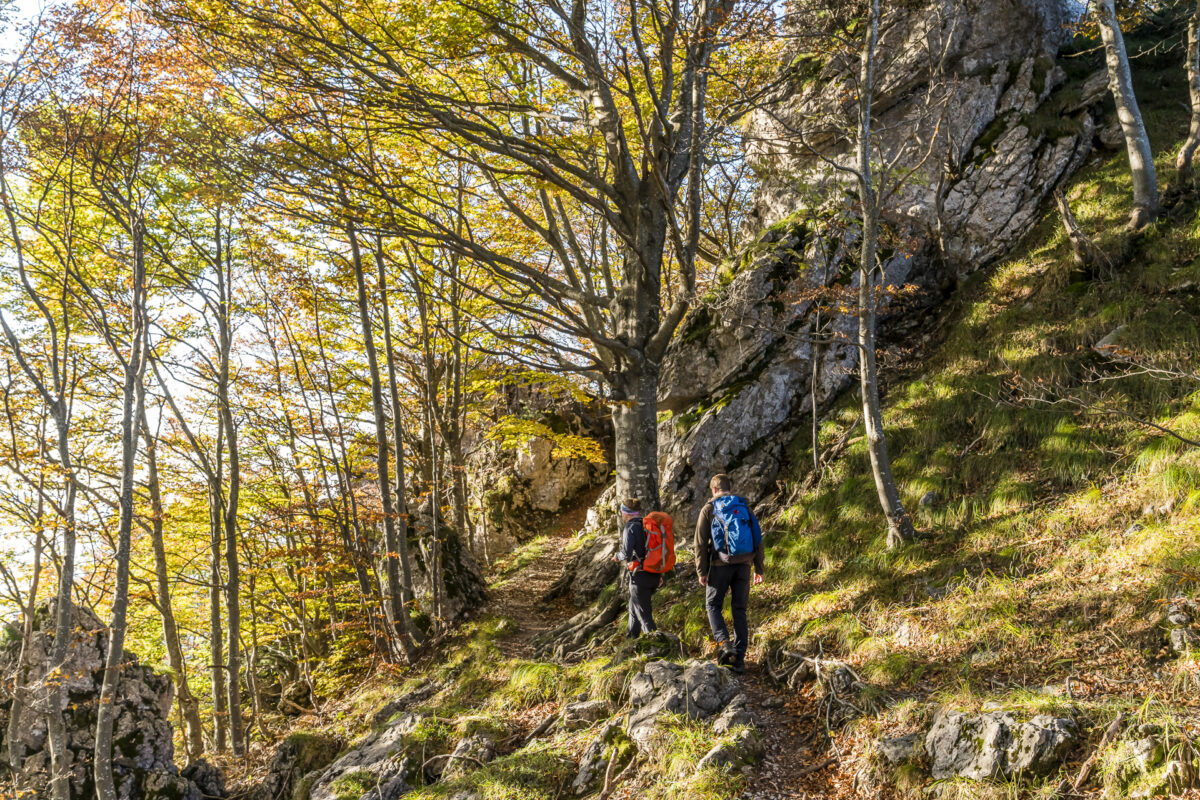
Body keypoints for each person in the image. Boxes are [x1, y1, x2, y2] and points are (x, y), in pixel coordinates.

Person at [695, 474, 765, 673]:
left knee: (712, 604)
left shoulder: (708, 509)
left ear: (714, 490)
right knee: (739, 610)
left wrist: (701, 570)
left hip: (719, 565)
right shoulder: (743, 507)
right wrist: (759, 568)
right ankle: (740, 658)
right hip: (744, 564)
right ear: (730, 488)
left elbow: (700, 543)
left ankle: (725, 645)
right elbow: (758, 538)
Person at [613, 497, 662, 639]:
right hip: (653, 574)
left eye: (621, 511)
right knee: (633, 610)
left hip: (640, 576)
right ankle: (630, 641)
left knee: (644, 616)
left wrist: (617, 556)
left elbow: (626, 553)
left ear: (625, 513)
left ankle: (658, 646)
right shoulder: (647, 525)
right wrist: (660, 575)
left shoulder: (630, 527)